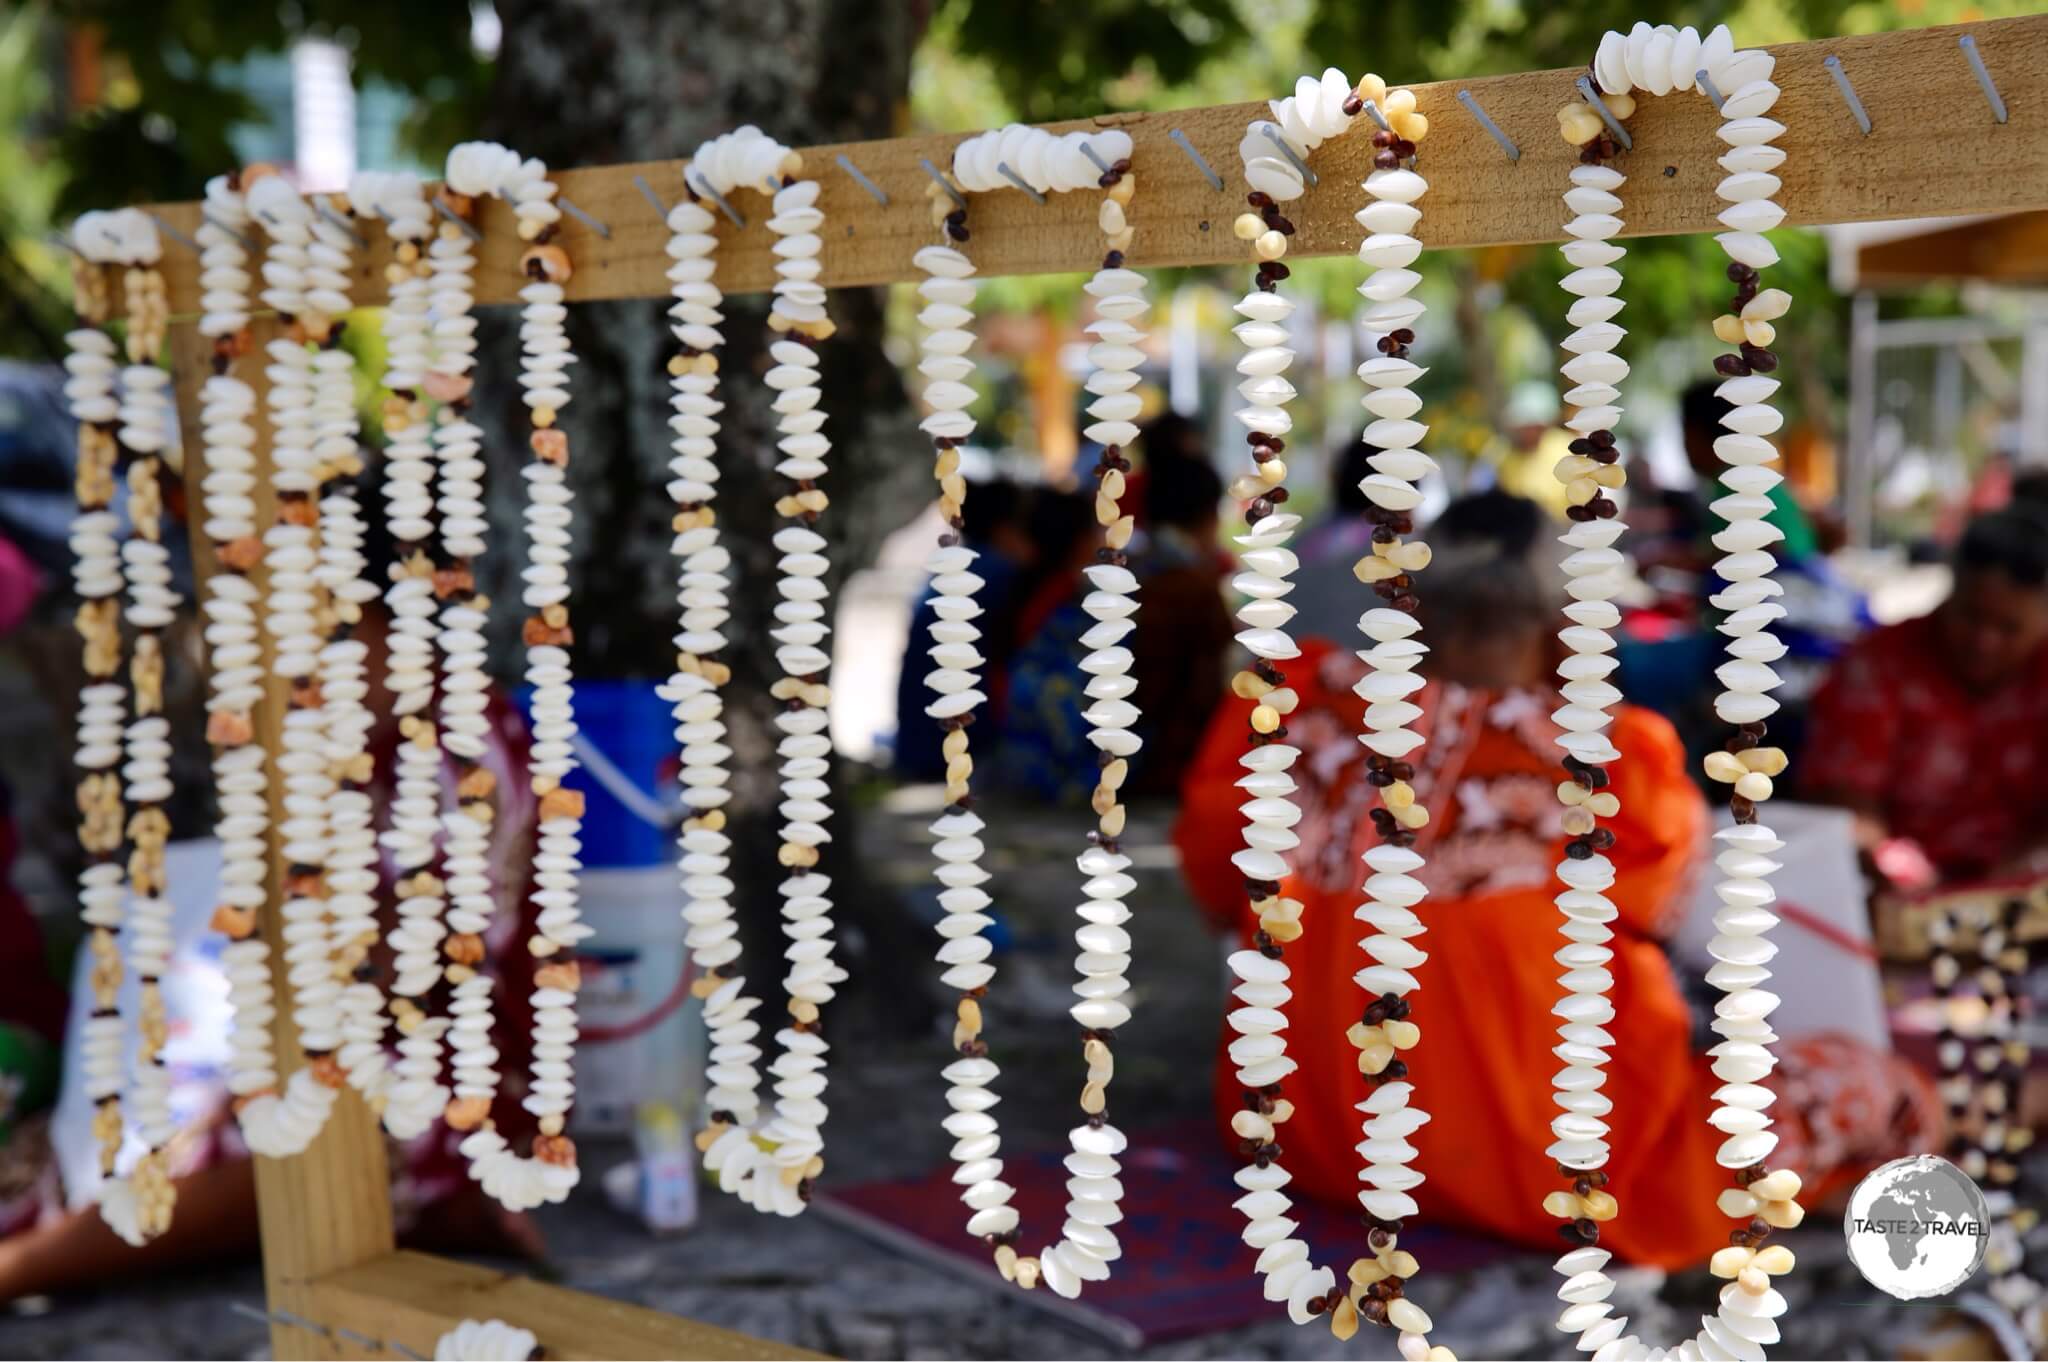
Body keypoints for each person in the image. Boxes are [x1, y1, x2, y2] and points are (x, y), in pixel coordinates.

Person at [1175, 491, 1936, 1268]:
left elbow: (1215, 884)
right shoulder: (1611, 761)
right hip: (1550, 1172)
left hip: (1303, 1134)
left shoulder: (1287, 713)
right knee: (1872, 1084)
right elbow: (1663, 904)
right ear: (1558, 624)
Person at [1804, 505, 2048, 888]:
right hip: (1889, 894)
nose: (1984, 642)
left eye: (2009, 628)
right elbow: (1844, 796)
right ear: (1949, 591)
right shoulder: (1879, 662)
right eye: (1971, 616)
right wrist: (1890, 862)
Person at [894, 477, 1033, 782]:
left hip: (918, 746)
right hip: (953, 750)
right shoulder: (998, 572)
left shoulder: (961, 566)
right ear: (1006, 528)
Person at [1126, 451, 1232, 798]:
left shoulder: (1124, 568)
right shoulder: (1194, 585)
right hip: (1165, 764)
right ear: (1209, 515)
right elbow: (1209, 688)